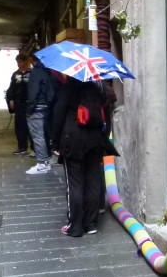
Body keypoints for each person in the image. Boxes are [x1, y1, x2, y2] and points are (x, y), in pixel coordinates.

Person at [50, 78, 118, 236]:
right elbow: (106, 116)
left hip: (73, 139)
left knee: (74, 183)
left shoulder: (68, 87)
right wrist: (105, 137)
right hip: (95, 140)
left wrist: (55, 143)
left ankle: (75, 226)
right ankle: (91, 224)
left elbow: (58, 114)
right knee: (93, 181)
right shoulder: (100, 89)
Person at [25, 54, 56, 174]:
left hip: (37, 108)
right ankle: (46, 161)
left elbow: (33, 92)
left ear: (32, 60)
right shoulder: (48, 71)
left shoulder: (36, 72)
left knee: (38, 136)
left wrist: (30, 109)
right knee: (44, 135)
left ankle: (42, 163)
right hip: (46, 107)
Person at [5, 54, 32, 156]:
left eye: (20, 62)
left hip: (29, 103)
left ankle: (34, 148)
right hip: (19, 103)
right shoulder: (15, 74)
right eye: (17, 62)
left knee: (31, 126)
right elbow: (11, 88)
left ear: (26, 62)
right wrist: (11, 100)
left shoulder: (32, 73)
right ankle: (22, 147)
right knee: (20, 126)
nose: (19, 64)